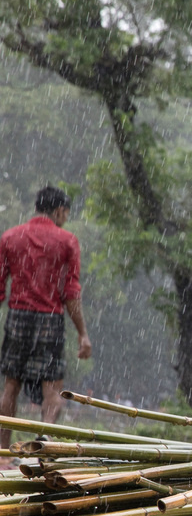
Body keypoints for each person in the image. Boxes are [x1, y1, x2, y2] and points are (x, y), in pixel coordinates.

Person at [0, 186, 92, 455]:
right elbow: (70, 293)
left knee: (11, 386)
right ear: (60, 211)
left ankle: (3, 453)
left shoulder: (10, 237)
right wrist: (82, 333)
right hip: (50, 319)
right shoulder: (67, 241)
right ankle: (43, 445)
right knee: (52, 387)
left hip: (18, 317)